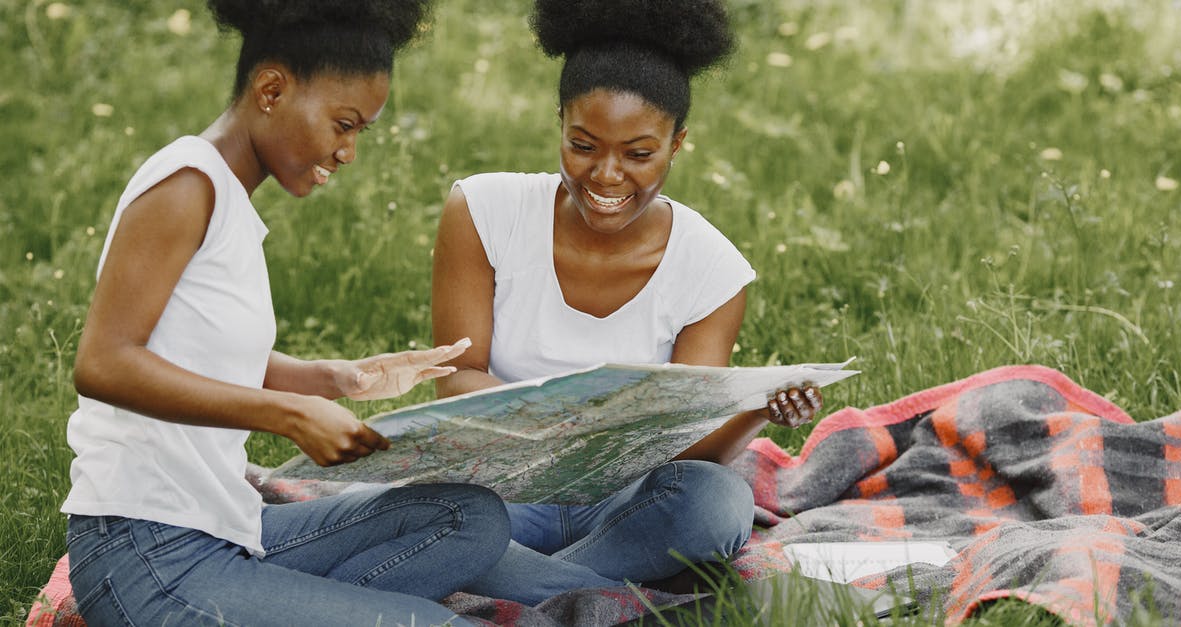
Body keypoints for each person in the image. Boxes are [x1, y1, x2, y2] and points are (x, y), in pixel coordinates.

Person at [60, 2, 510, 625]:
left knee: (469, 515)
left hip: (226, 531)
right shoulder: (186, 186)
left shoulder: (228, 201)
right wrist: (291, 415)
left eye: (360, 132)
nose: (349, 151)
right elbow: (103, 364)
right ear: (271, 89)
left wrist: (338, 378)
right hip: (147, 554)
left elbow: (193, 349)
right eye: (343, 124)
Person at [431, 0, 823, 605]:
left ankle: (521, 580)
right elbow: (456, 382)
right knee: (425, 513)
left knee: (718, 503)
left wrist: (756, 412)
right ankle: (602, 594)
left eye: (639, 154)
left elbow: (694, 450)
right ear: (559, 122)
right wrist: (575, 422)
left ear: (676, 144)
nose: (607, 177)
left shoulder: (711, 267)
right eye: (583, 145)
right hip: (504, 488)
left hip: (625, 503)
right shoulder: (483, 211)